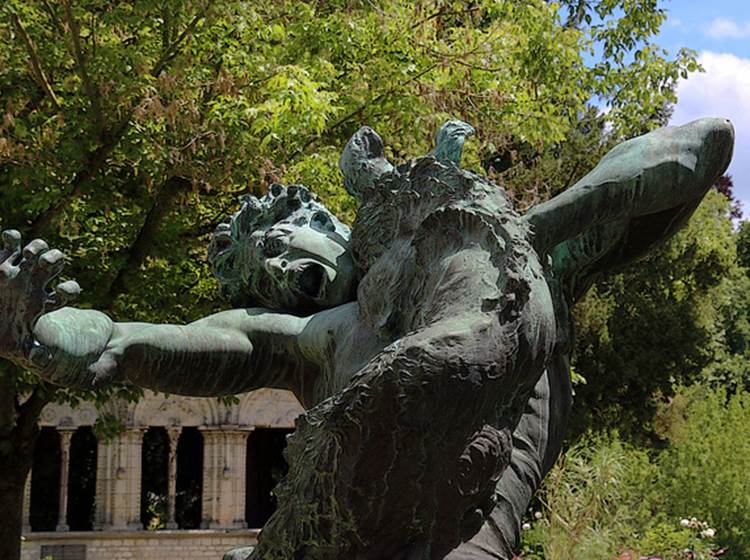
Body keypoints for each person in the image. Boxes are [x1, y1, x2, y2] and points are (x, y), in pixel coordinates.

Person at [0, 118, 733, 559]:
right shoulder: (311, 336)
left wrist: (534, 226)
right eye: (267, 270)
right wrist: (59, 334)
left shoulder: (496, 253)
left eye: (284, 241)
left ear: (332, 226)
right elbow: (146, 341)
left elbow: (705, 143)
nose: (284, 269)